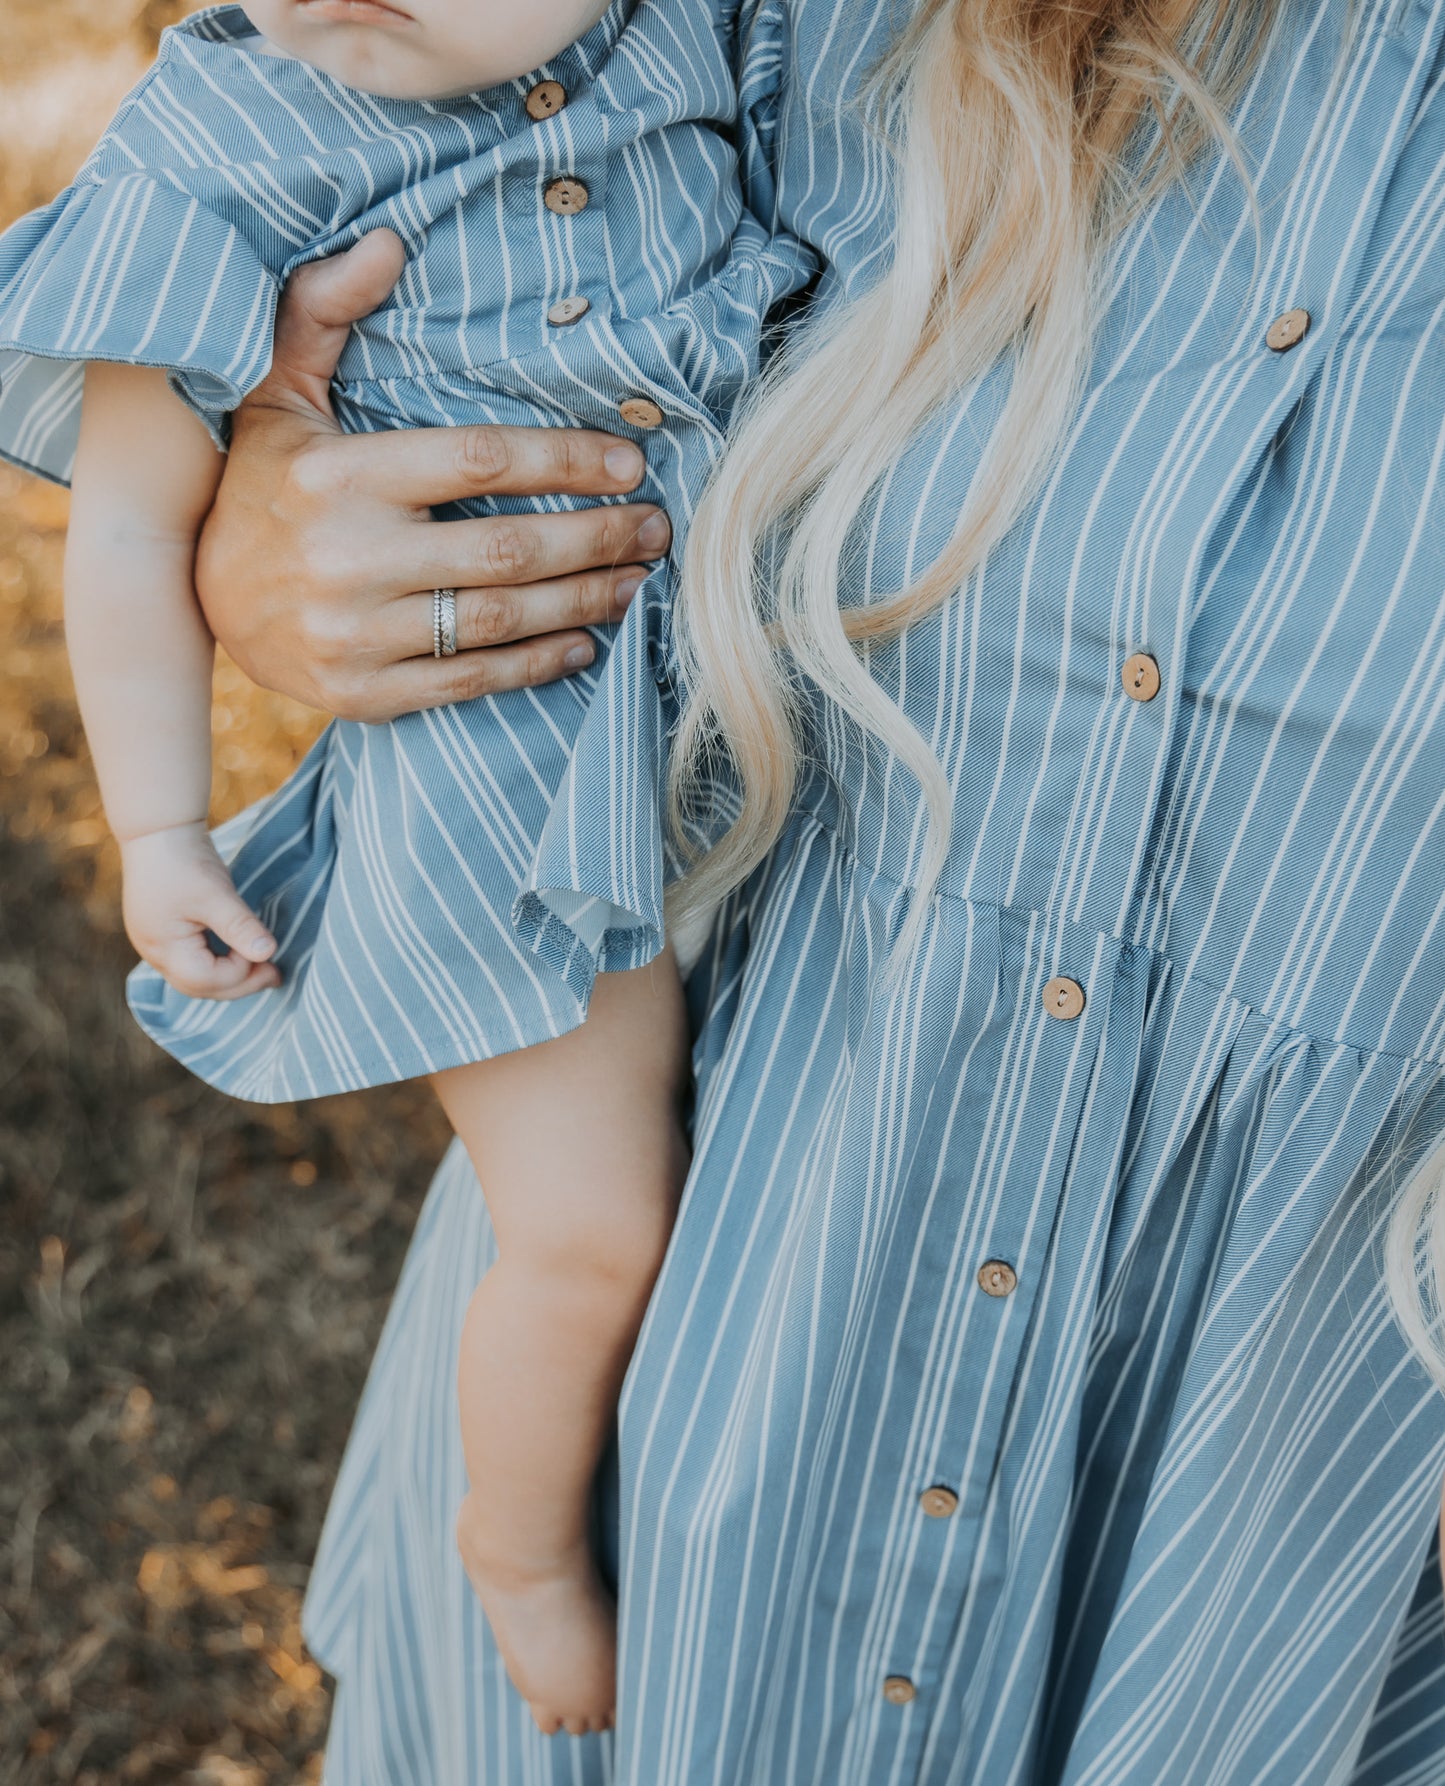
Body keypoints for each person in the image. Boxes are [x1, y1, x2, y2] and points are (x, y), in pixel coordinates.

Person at [14, 0, 1445, 1780]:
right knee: (580, 1250)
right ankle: (516, 1535)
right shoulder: (766, 32)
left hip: (1266, 1456)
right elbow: (208, 462)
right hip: (694, 1214)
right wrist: (268, 526)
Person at [0, 0, 812, 1736]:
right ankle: (515, 1547)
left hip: (754, 700)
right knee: (598, 1223)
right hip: (507, 783)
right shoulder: (228, 143)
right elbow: (135, 526)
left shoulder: (694, 36)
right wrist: (156, 830)